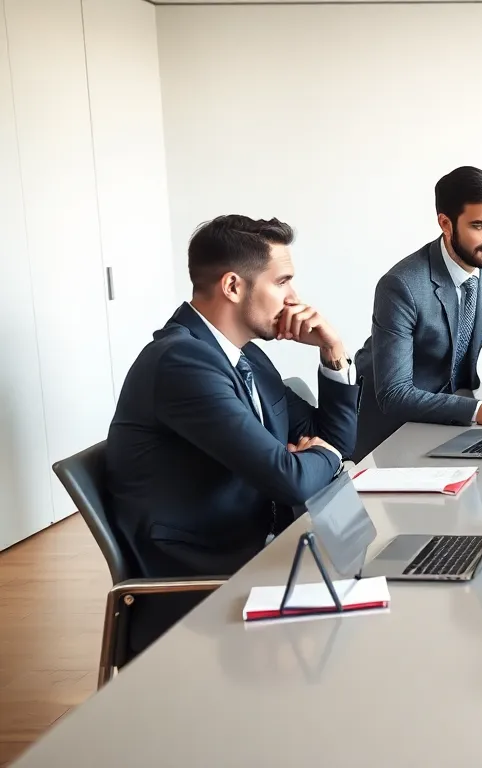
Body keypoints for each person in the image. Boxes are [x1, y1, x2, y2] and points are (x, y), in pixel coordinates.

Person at [106, 215, 360, 653]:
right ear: (232, 287)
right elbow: (291, 478)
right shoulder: (180, 362)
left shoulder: (247, 357)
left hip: (264, 544)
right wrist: (322, 459)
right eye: (282, 282)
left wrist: (333, 351)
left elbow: (333, 439)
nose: (294, 298)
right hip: (206, 574)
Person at [353, 167, 482, 459]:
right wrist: (480, 411)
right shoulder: (401, 285)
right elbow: (394, 394)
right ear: (446, 224)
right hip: (393, 430)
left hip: (456, 421)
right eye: (478, 225)